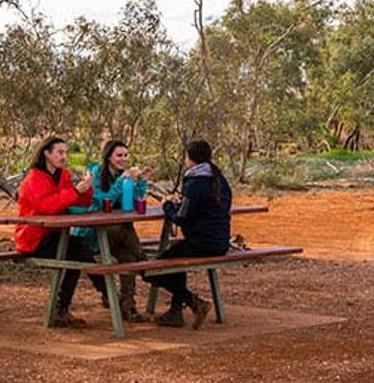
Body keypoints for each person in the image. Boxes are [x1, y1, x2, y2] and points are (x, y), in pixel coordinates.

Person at [14, 136, 106, 328]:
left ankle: (64, 307)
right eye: (60, 152)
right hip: (34, 240)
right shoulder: (34, 178)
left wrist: (85, 189)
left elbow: (78, 202)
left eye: (65, 152)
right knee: (77, 250)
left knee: (77, 250)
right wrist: (74, 191)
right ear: (47, 153)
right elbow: (47, 206)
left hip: (55, 235)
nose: (64, 156)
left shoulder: (62, 175)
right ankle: (105, 291)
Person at [145, 139, 231, 330]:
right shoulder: (219, 179)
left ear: (190, 159)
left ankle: (194, 303)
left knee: (153, 270)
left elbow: (182, 219)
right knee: (174, 260)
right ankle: (176, 312)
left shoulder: (194, 183)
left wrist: (167, 205)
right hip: (220, 242)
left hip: (201, 243)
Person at [73, 140, 152, 322]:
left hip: (114, 235)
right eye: (119, 155)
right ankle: (143, 260)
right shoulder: (95, 174)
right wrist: (121, 182)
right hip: (92, 233)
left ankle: (128, 305)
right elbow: (103, 201)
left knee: (128, 258)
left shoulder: (120, 175)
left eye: (125, 155)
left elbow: (132, 201)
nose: (123, 159)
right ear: (108, 156)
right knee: (127, 232)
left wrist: (140, 182)